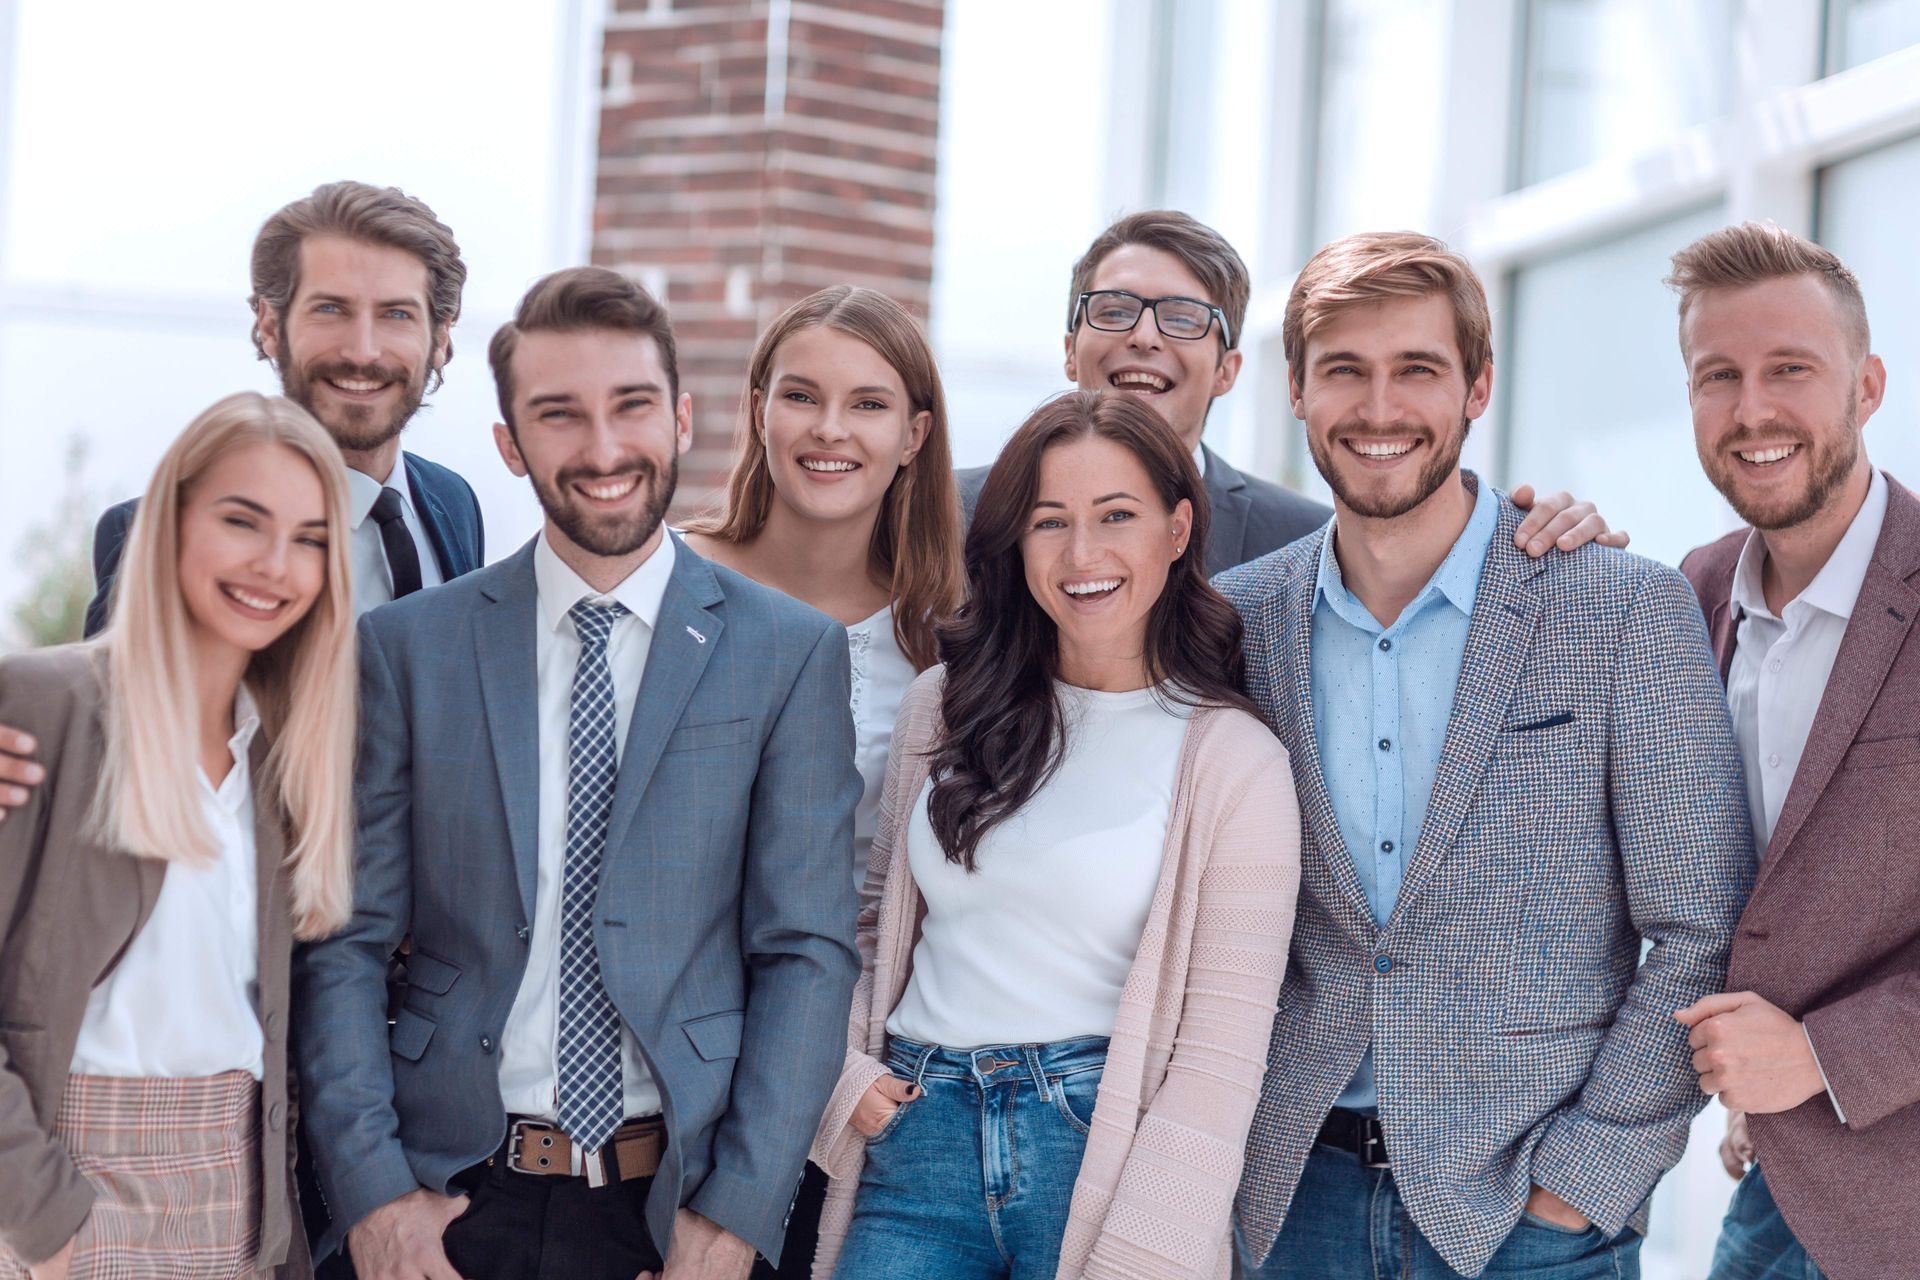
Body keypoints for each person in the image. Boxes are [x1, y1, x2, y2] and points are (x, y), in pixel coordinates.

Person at [292, 267, 862, 1280]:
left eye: (632, 405)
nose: (603, 450)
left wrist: (736, 1213)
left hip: (671, 1204)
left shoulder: (789, 652)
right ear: (511, 442)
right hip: (447, 1193)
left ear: (682, 416)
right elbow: (347, 938)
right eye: (560, 415)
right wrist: (372, 1191)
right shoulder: (410, 648)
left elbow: (805, 953)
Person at [1217, 231, 1755, 1279]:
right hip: (1291, 1210)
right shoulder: (1236, 625)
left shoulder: (1619, 607)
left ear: (1478, 386)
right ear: (1295, 390)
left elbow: (1702, 923)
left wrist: (1585, 1180)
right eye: (1344, 371)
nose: (1380, 408)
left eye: (1417, 369)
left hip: (1531, 1222)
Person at [811, 388, 1302, 1279]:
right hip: (914, 1141)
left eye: (1118, 515)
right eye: (1050, 522)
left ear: (1179, 529)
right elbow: (876, 926)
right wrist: (848, 1084)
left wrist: (1146, 1257)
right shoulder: (945, 707)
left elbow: (1218, 1060)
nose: (1083, 554)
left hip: (1095, 1148)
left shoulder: (1236, 763)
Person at [0, 392, 358, 1279]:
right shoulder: (48, 709)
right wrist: (44, 1222)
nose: (277, 565)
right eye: (244, 521)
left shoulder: (287, 758)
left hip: (240, 1205)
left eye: (311, 538)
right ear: (171, 522)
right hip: (68, 1198)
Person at [682, 285, 963, 1280]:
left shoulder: (947, 640)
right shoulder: (667, 583)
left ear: (915, 433)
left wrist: (844, 1066)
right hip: (675, 1077)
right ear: (758, 404)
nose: (829, 428)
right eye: (800, 394)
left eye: (869, 403)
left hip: (870, 1097)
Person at [1665, 222, 1920, 1280]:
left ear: (1866, 385)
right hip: (1784, 1180)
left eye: (1790, 370)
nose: (1753, 409)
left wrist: (1821, 1057)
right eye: (1717, 375)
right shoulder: (1694, 588)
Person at [953, 210, 1626, 574]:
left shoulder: (1305, 542)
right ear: (1070, 349)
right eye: (1114, 309)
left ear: (1229, 371)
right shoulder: (943, 515)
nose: (1145, 337)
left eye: (1184, 318)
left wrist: (1542, 525)